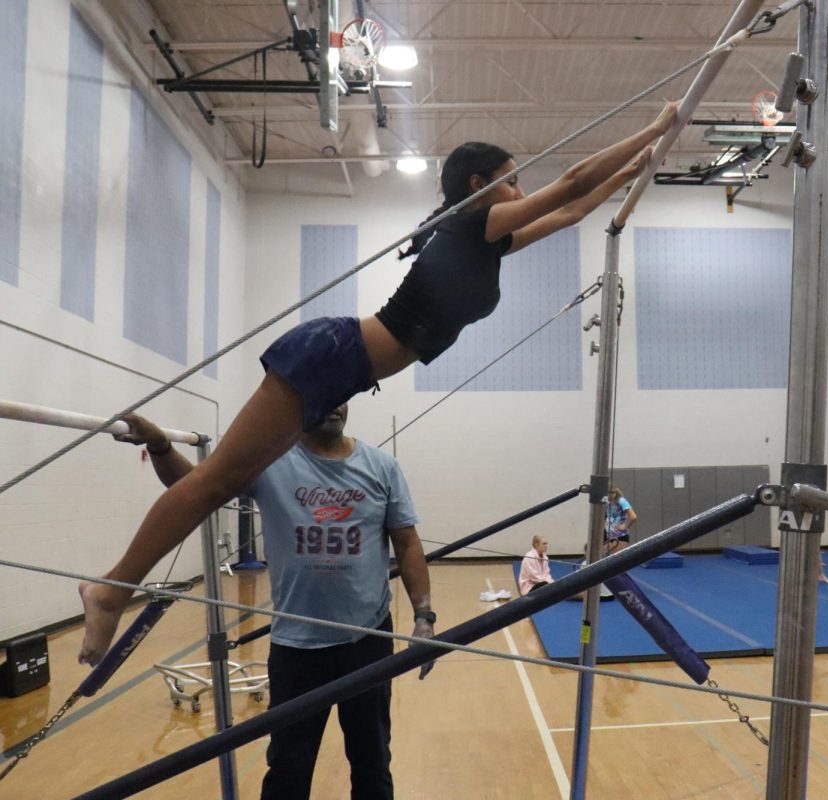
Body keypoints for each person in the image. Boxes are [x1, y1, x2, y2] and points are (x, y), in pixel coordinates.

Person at [77, 102, 680, 666]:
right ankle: (110, 590)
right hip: (329, 355)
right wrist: (653, 129)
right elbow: (572, 182)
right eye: (513, 179)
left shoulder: (489, 241)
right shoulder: (475, 223)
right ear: (480, 185)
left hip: (340, 365)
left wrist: (636, 170)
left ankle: (111, 588)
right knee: (217, 483)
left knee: (224, 482)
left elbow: (574, 209)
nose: (522, 190)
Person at [112, 405, 430, 800]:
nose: (335, 404)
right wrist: (160, 447)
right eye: (326, 394)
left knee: (371, 761)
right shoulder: (271, 460)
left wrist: (424, 616)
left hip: (366, 642)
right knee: (288, 768)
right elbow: (195, 487)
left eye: (343, 395)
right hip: (298, 648)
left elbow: (408, 542)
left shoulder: (382, 466)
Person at [604, 487, 637, 554]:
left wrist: (625, 526)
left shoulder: (621, 501)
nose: (608, 496)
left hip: (620, 535)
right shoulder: (607, 501)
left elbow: (633, 516)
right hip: (609, 535)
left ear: (615, 494)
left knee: (617, 558)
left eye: (610, 494)